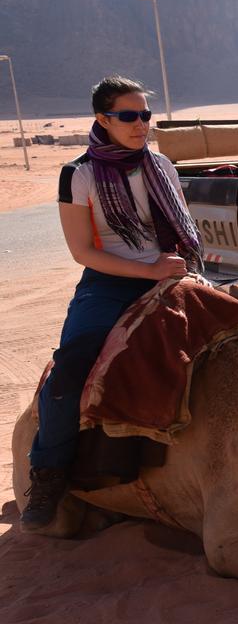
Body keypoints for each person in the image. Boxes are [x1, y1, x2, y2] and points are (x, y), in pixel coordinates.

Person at [23, 76, 202, 531]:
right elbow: (82, 251)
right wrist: (149, 271)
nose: (140, 124)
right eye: (128, 116)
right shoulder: (78, 175)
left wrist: (177, 267)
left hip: (172, 273)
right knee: (71, 370)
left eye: (145, 115)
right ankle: (47, 476)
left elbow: (181, 224)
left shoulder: (160, 164)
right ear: (102, 119)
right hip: (109, 284)